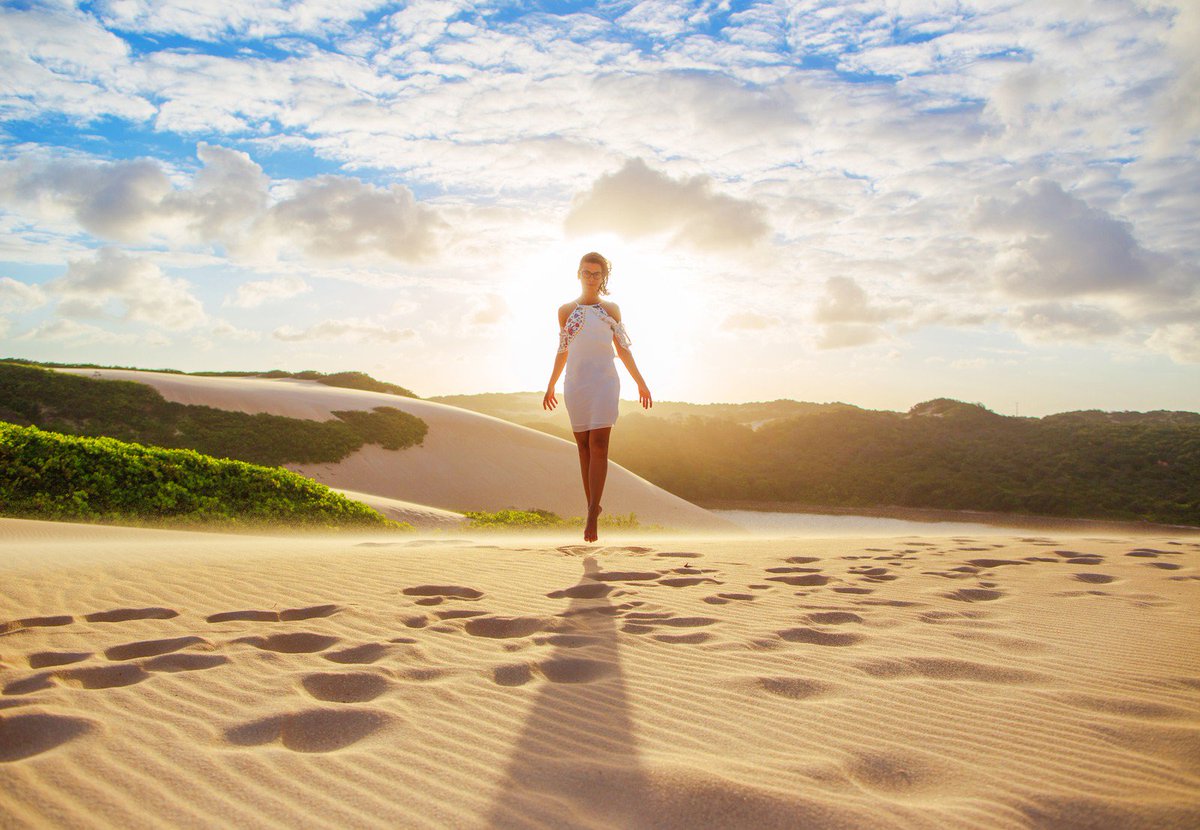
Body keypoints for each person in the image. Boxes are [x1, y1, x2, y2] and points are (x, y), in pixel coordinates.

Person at [543, 252, 652, 542]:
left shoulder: (611, 310)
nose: (591, 278)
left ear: (603, 277)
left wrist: (640, 382)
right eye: (586, 272)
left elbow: (624, 349)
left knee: (599, 444)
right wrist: (551, 384)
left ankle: (592, 513)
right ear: (578, 274)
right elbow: (563, 349)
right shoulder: (566, 310)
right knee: (583, 448)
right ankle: (593, 504)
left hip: (604, 382)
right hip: (576, 384)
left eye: (597, 273)